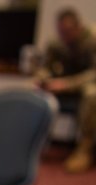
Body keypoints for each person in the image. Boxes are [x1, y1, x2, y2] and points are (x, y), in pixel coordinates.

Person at [35, 8, 96, 173]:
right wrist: (42, 78)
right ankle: (32, 143)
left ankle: (85, 149)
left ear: (78, 27)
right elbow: (45, 67)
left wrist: (66, 84)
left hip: (85, 86)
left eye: (68, 31)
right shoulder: (56, 44)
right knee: (31, 93)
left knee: (92, 94)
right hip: (64, 86)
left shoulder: (91, 41)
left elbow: (93, 73)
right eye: (61, 31)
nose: (64, 36)